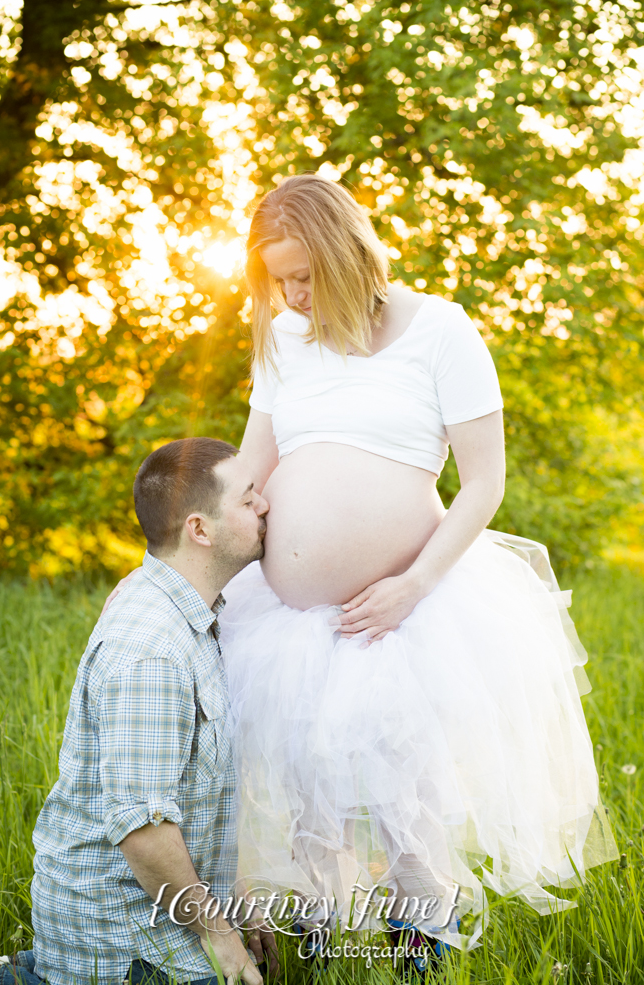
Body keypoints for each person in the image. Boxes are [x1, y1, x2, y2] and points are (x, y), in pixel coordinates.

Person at [216, 174, 617, 957]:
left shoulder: (438, 329)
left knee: (403, 768)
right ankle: (327, 931)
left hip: (411, 594)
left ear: (346, 256)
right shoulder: (283, 341)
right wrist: (181, 561)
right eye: (277, 280)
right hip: (288, 608)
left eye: (304, 276)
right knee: (304, 764)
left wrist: (412, 584)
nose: (292, 296)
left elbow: (484, 483)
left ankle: (417, 934)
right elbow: (250, 470)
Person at [0, 438, 277, 985]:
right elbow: (143, 830)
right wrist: (220, 935)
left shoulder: (192, 609)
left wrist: (237, 895)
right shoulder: (152, 650)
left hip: (161, 909)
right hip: (123, 935)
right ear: (200, 530)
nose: (265, 505)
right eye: (248, 497)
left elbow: (198, 793)